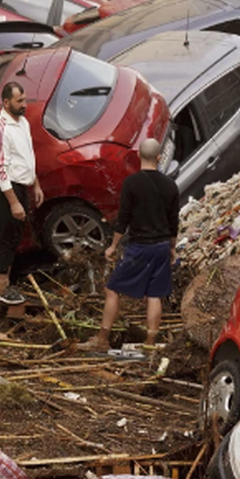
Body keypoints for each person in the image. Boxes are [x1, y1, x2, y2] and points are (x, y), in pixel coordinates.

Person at [82, 138, 180, 351]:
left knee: (111, 289)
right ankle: (150, 343)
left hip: (140, 247)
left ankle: (102, 338)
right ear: (159, 157)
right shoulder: (170, 185)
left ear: (138, 156)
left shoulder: (131, 184)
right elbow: (173, 222)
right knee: (155, 294)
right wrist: (172, 247)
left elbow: (123, 219)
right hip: (161, 246)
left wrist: (113, 246)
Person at [0, 81, 44, 305]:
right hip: (4, 190)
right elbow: (0, 169)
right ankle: (0, 288)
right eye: (20, 101)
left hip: (21, 186)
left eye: (25, 99)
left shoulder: (23, 123)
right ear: (6, 102)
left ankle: (5, 283)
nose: (24, 104)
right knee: (7, 237)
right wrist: (13, 202)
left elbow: (28, 157)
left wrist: (35, 184)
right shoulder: (0, 130)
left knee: (17, 235)